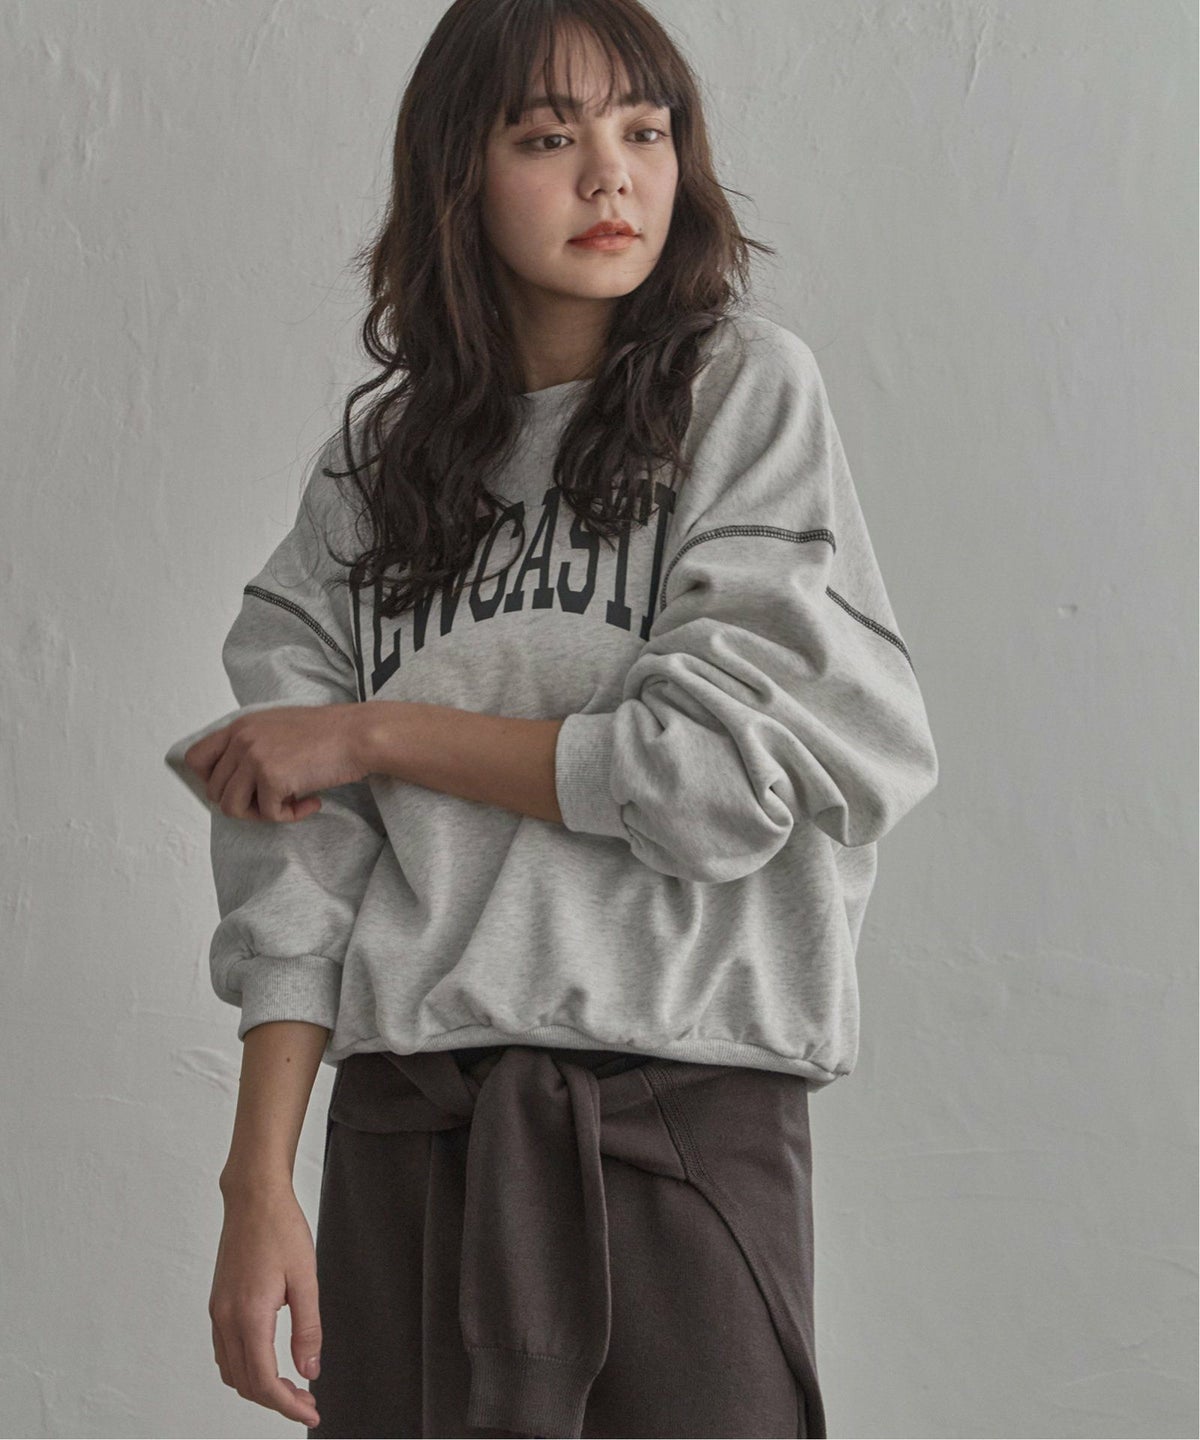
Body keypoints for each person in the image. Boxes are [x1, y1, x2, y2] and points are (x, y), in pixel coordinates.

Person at [164, 1, 940, 1435]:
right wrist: (256, 1182)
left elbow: (710, 784)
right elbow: (293, 852)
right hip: (408, 1138)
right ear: (458, 170)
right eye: (547, 137)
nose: (611, 175)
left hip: (669, 1129)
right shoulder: (371, 475)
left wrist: (378, 732)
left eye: (646, 130)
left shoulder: (738, 392)